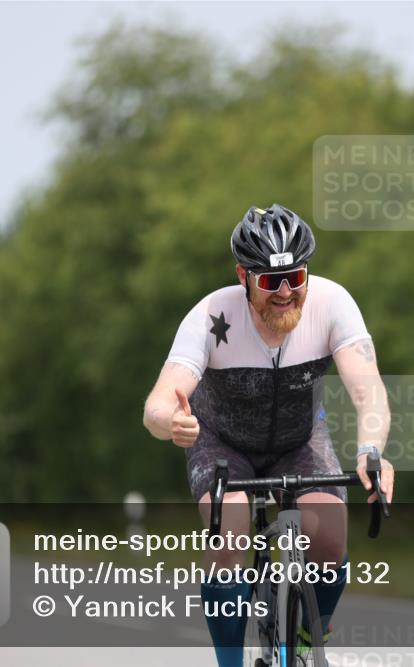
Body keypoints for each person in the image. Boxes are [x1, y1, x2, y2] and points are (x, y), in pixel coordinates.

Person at [143, 204, 394, 666]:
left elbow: (369, 390)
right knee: (231, 533)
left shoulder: (331, 303)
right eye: (269, 282)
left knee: (331, 536)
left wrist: (370, 451)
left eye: (294, 279)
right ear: (243, 276)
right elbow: (159, 401)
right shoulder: (212, 315)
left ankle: (305, 635)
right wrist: (169, 423)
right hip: (223, 443)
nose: (284, 293)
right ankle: (230, 662)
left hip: (299, 440)